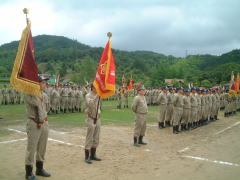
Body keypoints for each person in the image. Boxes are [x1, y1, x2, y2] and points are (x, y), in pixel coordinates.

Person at [24, 76, 51, 180]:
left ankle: (40, 168)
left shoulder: (44, 95)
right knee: (31, 148)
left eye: (45, 83)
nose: (45, 84)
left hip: (44, 123)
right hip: (34, 123)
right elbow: (35, 102)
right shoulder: (29, 94)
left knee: (42, 148)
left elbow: (47, 108)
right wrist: (34, 89)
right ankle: (29, 172)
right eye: (43, 82)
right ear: (36, 84)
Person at [84, 84, 101, 164]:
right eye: (96, 88)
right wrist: (97, 96)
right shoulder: (88, 96)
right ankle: (87, 157)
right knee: (89, 137)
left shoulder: (98, 95)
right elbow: (90, 104)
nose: (97, 89)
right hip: (91, 118)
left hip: (98, 118)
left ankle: (93, 155)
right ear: (92, 88)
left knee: (96, 137)